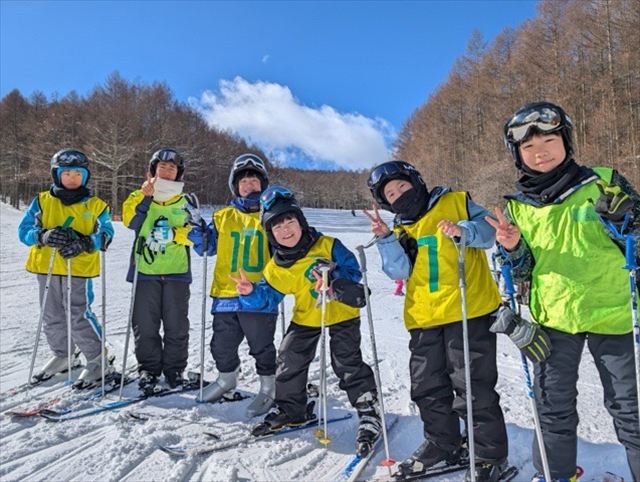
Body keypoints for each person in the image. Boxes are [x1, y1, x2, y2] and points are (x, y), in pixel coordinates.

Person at [488, 101, 640, 482]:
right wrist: (510, 248)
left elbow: (636, 238)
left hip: (612, 312)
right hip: (554, 320)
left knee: (628, 408)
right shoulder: (516, 207)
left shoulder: (603, 181)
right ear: (518, 156)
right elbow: (521, 271)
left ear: (566, 141)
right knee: (552, 406)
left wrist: (625, 219)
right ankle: (556, 475)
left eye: (549, 140)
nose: (541, 151)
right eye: (529, 146)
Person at [365, 160, 509, 481]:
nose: (399, 195)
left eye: (402, 186)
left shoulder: (455, 201)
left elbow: (489, 232)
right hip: (423, 317)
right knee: (426, 385)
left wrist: (463, 231)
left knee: (472, 385)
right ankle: (443, 442)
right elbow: (399, 271)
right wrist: (386, 239)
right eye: (391, 193)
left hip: (467, 310)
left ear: (416, 182)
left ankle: (488, 454)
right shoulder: (401, 229)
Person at [232, 185, 381, 457]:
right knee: (289, 358)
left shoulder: (328, 245)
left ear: (300, 221)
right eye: (277, 226)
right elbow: (268, 298)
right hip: (307, 317)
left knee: (346, 361)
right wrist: (251, 292)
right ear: (271, 233)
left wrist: (336, 280)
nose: (286, 229)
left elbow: (353, 271)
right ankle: (292, 408)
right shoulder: (276, 267)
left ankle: (368, 409)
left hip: (341, 314)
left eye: (290, 221)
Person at [188, 154, 278, 417]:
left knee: (261, 344)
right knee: (221, 345)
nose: (249, 185)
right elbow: (206, 247)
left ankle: (268, 387)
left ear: (263, 185)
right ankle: (226, 379)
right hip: (226, 293)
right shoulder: (222, 216)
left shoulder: (270, 215)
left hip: (258, 293)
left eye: (254, 180)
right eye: (244, 181)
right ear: (235, 187)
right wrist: (195, 225)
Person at [18, 148, 115, 388]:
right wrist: (43, 235)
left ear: (85, 176)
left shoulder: (96, 205)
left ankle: (98, 358)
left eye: (77, 174)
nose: (72, 179)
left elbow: (106, 234)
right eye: (66, 173)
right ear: (56, 175)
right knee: (51, 314)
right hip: (48, 267)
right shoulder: (42, 201)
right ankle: (64, 355)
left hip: (78, 268)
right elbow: (24, 231)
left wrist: (85, 242)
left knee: (77, 314)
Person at [122, 148, 193, 394]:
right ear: (153, 171)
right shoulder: (136, 195)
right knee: (145, 323)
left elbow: (194, 234)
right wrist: (145, 198)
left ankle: (174, 370)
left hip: (176, 272)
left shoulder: (186, 201)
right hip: (145, 271)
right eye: (161, 167)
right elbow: (130, 222)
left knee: (176, 325)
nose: (166, 171)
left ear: (178, 174)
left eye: (172, 168)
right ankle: (149, 369)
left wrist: (175, 234)